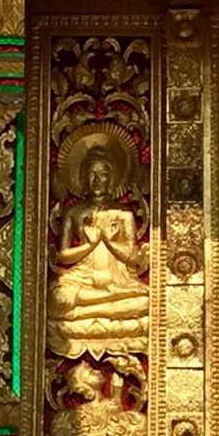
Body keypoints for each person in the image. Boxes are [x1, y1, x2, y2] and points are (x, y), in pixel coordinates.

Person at [47, 146, 149, 356]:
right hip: (83, 278)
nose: (97, 180)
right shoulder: (74, 212)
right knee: (58, 297)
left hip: (117, 280)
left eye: (103, 174)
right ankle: (105, 310)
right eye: (92, 174)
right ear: (82, 178)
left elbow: (133, 259)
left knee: (146, 301)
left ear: (112, 179)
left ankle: (94, 310)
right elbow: (63, 256)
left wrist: (109, 242)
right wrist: (90, 245)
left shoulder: (123, 214)